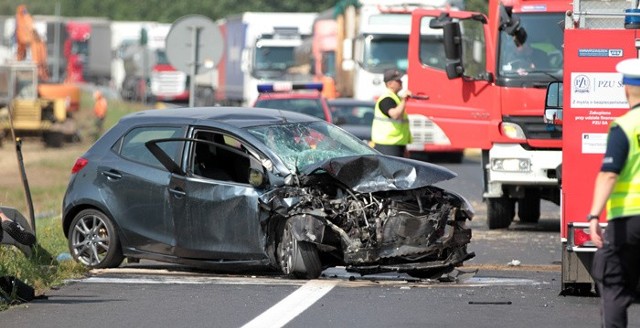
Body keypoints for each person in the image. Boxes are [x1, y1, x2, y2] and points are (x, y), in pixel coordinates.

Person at [588, 58, 640, 328]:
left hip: (630, 222)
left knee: (614, 286)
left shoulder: (626, 126)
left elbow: (610, 173)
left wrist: (594, 214)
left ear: (625, 89)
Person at [371, 69, 412, 157]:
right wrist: (404, 100)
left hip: (396, 144)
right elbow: (395, 115)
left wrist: (404, 147)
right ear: (389, 84)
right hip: (387, 145)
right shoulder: (386, 99)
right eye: (397, 80)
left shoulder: (396, 98)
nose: (401, 82)